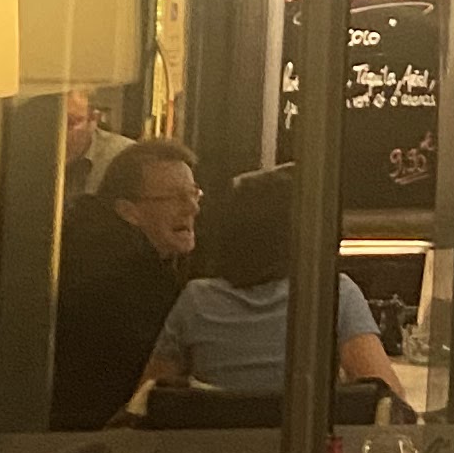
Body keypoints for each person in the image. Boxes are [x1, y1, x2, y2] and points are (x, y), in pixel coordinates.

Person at [143, 163, 414, 411]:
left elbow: (151, 396)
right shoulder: (333, 293)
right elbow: (388, 399)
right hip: (304, 448)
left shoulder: (196, 299)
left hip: (213, 447)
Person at [50, 138, 200, 428]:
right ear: (128, 211)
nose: (191, 207)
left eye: (193, 193)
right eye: (174, 197)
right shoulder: (120, 282)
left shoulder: (141, 263)